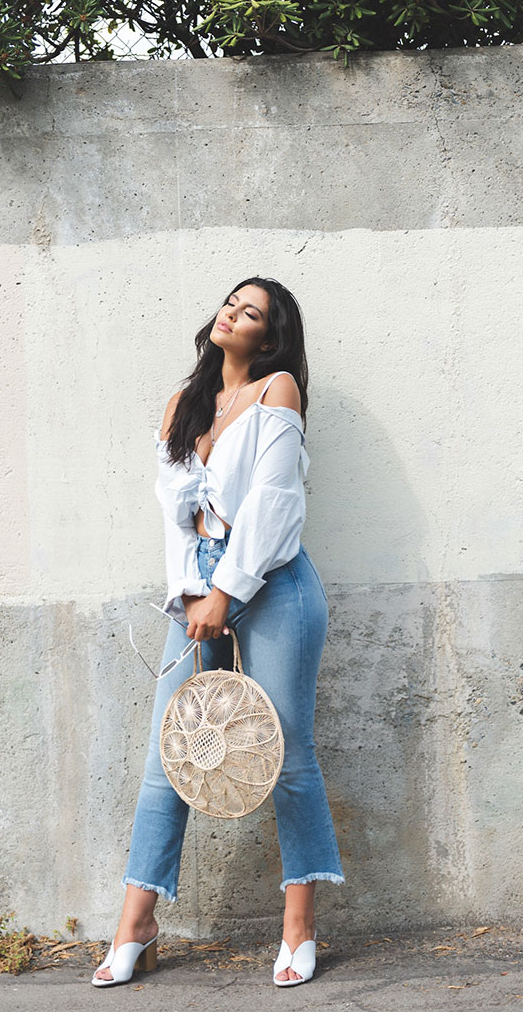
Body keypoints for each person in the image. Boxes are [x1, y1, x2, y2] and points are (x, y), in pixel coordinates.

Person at [92, 276, 344, 990]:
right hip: (195, 593)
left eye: (251, 311)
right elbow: (176, 521)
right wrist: (192, 596)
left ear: (270, 336)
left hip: (273, 583)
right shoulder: (184, 403)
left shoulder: (276, 392)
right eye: (231, 302)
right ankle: (136, 923)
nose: (232, 313)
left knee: (286, 755)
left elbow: (273, 504)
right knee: (170, 754)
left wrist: (227, 593)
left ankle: (299, 926)